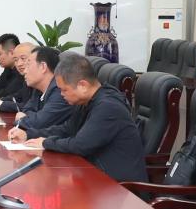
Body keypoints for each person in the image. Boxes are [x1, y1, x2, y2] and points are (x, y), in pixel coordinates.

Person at [16, 53, 147, 183]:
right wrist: (29, 134)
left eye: (64, 90)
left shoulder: (108, 107)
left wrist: (46, 143)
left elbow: (80, 145)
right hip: (96, 176)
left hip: (120, 187)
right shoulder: (86, 102)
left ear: (83, 86)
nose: (61, 94)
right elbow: (67, 129)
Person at [7, 46, 75, 136]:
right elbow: (26, 110)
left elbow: (39, 123)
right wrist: (30, 117)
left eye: (28, 65)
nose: (25, 71)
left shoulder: (60, 90)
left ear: (43, 67)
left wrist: (22, 119)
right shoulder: (38, 89)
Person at [0, 42, 35, 112]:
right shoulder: (25, 79)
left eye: (23, 58)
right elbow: (18, 97)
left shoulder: (39, 81)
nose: (19, 64)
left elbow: (30, 107)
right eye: (16, 60)